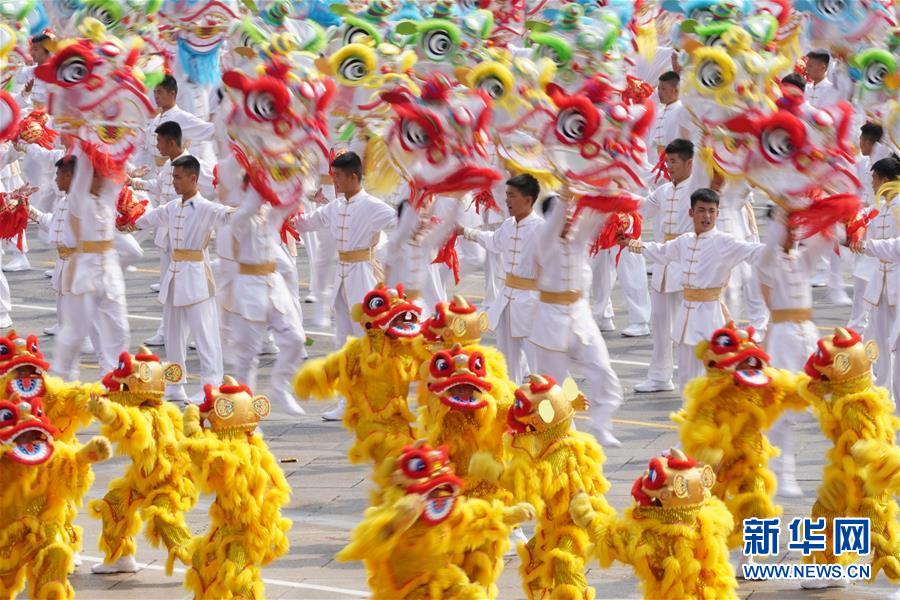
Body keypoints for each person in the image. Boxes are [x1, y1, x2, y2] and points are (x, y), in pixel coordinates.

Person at [624, 188, 766, 388]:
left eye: (711, 211)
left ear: (717, 214)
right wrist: (632, 244)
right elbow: (661, 252)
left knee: (713, 375)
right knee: (686, 377)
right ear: (691, 213)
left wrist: (784, 243)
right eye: (701, 210)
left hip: (712, 316)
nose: (706, 216)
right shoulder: (685, 241)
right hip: (686, 316)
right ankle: (688, 415)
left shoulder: (724, 241)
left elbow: (755, 251)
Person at [295, 151, 397, 421]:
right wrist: (283, 211)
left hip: (363, 275)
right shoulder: (336, 206)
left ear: (353, 177)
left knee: (365, 340)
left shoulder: (372, 205)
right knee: (343, 342)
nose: (334, 182)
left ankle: (371, 399)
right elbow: (308, 222)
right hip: (342, 276)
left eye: (338, 176)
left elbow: (399, 221)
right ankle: (347, 399)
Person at [129, 156, 234, 404]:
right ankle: (176, 383)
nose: (174, 182)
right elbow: (145, 220)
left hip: (197, 276)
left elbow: (230, 215)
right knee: (173, 335)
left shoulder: (207, 207)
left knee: (204, 333)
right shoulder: (172, 207)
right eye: (173, 176)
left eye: (177, 177)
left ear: (193, 178)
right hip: (175, 277)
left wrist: (255, 205)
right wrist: (125, 220)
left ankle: (211, 384)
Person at [527, 196, 624, 447]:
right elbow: (555, 221)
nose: (571, 219)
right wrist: (565, 190)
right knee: (552, 387)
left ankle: (601, 425)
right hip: (550, 320)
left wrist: (609, 186)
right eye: (565, 215)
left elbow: (595, 217)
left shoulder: (578, 241)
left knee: (604, 372)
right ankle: (559, 434)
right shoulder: (543, 240)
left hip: (581, 318)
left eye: (573, 215)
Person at [759, 211, 831, 497]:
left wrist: (833, 205)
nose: (793, 233)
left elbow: (824, 241)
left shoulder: (801, 260)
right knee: (783, 410)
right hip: (783, 337)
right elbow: (768, 249)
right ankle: (782, 473)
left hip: (808, 335)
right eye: (787, 228)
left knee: (825, 403)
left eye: (795, 228)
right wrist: (781, 209)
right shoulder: (767, 263)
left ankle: (841, 471)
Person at [222, 178, 308, 415]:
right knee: (247, 358)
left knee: (295, 339)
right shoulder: (238, 217)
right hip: (249, 288)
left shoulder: (269, 214)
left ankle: (279, 387)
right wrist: (258, 181)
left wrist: (296, 171)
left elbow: (291, 202)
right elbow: (249, 209)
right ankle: (244, 415)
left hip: (273, 285)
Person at [131, 121, 214, 347]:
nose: (156, 146)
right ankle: (166, 331)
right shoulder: (169, 166)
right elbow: (159, 187)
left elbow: (215, 185)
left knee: (199, 289)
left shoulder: (193, 164)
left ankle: (201, 335)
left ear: (170, 142)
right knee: (169, 287)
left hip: (191, 236)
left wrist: (204, 215)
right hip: (169, 234)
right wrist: (134, 183)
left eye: (159, 141)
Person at [53, 150, 130, 380]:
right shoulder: (78, 199)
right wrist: (85, 134)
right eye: (96, 175)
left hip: (110, 271)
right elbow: (85, 169)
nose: (101, 179)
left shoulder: (107, 197)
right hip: (84, 271)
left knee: (119, 330)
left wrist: (120, 137)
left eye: (103, 175)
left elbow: (118, 164)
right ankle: (62, 380)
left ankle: (113, 382)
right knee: (75, 333)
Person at [462, 174, 544, 384]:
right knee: (506, 361)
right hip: (506, 299)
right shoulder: (508, 225)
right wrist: (466, 232)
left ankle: (553, 411)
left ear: (527, 199)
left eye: (511, 196)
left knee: (538, 363)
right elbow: (494, 241)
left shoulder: (541, 229)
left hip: (532, 303)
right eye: (506, 195)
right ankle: (509, 406)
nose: (506, 200)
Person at [634, 139, 695, 393]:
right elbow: (640, 209)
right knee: (660, 324)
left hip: (687, 262)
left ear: (690, 163)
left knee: (686, 328)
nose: (668, 167)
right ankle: (660, 376)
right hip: (662, 263)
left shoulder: (698, 187)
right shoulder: (663, 190)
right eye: (667, 162)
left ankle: (692, 380)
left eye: (674, 162)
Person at [849, 156, 900, 401]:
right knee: (878, 341)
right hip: (880, 283)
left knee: (896, 344)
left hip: (898, 282)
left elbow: (897, 247)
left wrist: (868, 246)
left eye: (874, 178)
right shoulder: (879, 206)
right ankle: (883, 393)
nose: (871, 182)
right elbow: (858, 220)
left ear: (883, 178)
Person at [849, 122, 887, 330]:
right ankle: (858, 322)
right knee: (860, 274)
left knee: (873, 273)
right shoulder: (862, 164)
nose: (859, 144)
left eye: (862, 140)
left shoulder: (885, 157)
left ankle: (862, 322)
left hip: (881, 222)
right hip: (865, 220)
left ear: (869, 142)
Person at [133, 75, 216, 169]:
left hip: (175, 170)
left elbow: (209, 130)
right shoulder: (157, 119)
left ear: (172, 94)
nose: (156, 96)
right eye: (155, 92)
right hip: (157, 172)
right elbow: (144, 139)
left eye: (160, 92)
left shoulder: (181, 117)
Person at [648, 71, 692, 167]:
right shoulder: (658, 112)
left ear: (675, 90)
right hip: (655, 162)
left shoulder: (682, 110)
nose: (660, 92)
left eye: (663, 89)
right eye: (659, 89)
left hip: (675, 163)